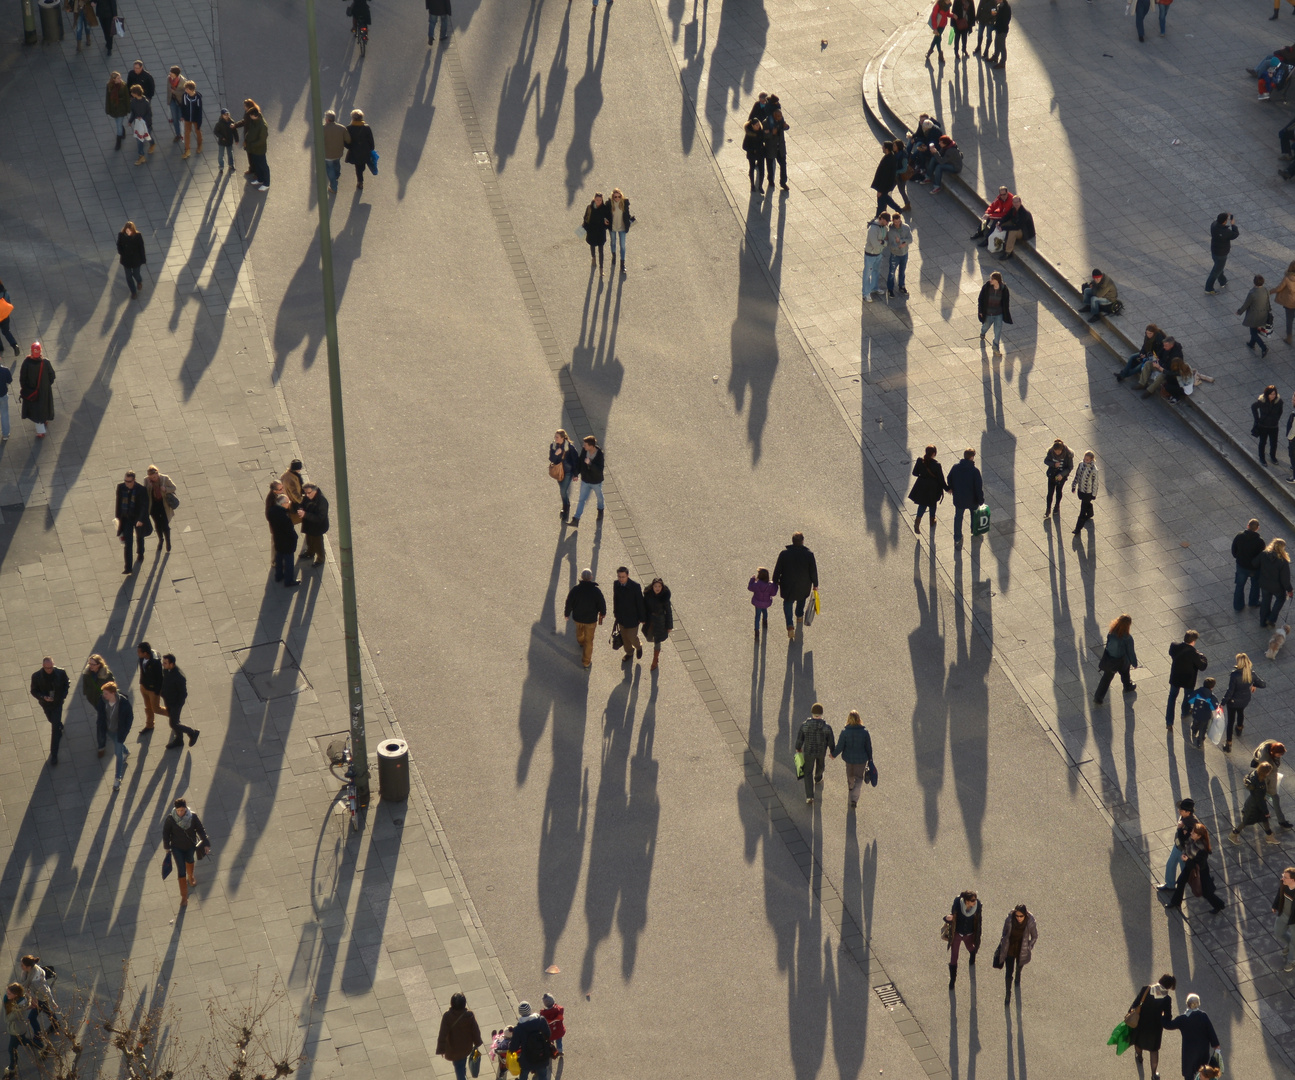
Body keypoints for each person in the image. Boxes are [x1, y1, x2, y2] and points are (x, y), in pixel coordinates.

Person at [161, 797, 211, 906]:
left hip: (190, 846)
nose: (180, 813)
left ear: (185, 809)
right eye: (178, 810)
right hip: (176, 848)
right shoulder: (170, 819)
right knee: (181, 870)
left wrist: (206, 844)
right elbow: (166, 834)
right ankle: (184, 896)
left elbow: (201, 830)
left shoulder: (192, 817)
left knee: (190, 860)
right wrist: (167, 847)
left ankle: (191, 876)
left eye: (182, 810)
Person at [1166, 823, 1225, 913]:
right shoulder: (1192, 839)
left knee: (1206, 893)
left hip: (1200, 872)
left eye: (1194, 833)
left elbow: (1196, 864)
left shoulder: (1202, 850)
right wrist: (1180, 829)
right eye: (1192, 831)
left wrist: (1186, 860)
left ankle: (1219, 905)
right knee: (1181, 882)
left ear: (1199, 836)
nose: (1191, 833)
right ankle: (1176, 902)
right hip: (1189, 868)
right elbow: (1183, 841)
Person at [1163, 994, 1220, 1080]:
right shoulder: (1203, 1016)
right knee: (1201, 1074)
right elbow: (1211, 1032)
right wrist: (1216, 1046)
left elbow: (1168, 1025)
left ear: (1187, 1004)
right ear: (1198, 1004)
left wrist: (1163, 1015)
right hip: (1202, 1052)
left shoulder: (1183, 1019)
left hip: (1189, 1053)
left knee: (1189, 1075)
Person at [1129, 974, 1177, 1077]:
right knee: (1154, 1050)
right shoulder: (1167, 999)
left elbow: (1136, 1003)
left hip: (1140, 1022)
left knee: (1138, 1042)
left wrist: (1129, 1014)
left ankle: (1139, 1057)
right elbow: (1168, 1016)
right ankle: (1154, 1074)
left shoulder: (1146, 989)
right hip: (1155, 1028)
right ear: (1169, 987)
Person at [772, 533, 818, 639]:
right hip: (804, 584)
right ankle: (799, 616)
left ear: (792, 541)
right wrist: (815, 584)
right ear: (802, 541)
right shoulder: (809, 554)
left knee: (788, 603)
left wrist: (775, 581)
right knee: (801, 599)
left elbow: (778, 569)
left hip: (788, 584)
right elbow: (813, 571)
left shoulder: (784, 554)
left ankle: (790, 625)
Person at [29, 657, 69, 767]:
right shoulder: (36, 676)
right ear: (43, 666)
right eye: (47, 668)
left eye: (51, 667)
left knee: (54, 729)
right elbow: (33, 690)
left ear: (54, 664)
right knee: (51, 720)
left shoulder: (61, 672)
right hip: (46, 704)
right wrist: (43, 697)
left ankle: (54, 755)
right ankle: (59, 725)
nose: (49, 670)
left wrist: (63, 696)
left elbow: (67, 683)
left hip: (57, 704)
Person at [1219, 652, 1263, 752]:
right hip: (1245, 700)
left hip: (1233, 701)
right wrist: (1254, 684)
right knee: (1241, 712)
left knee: (1230, 721)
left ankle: (1229, 743)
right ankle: (1239, 728)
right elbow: (1263, 684)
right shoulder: (1252, 674)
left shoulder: (1234, 675)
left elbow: (1230, 691)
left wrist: (1222, 702)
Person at [994, 904, 1036, 1004]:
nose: (1019, 918)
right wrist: (1004, 942)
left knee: (1019, 965)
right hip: (1010, 948)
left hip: (1022, 948)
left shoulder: (1030, 922)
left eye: (1021, 916)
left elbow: (1034, 936)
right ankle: (1008, 994)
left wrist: (1029, 946)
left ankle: (1018, 975)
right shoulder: (1009, 920)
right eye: (1017, 916)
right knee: (1008, 972)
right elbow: (1004, 933)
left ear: (1025, 915)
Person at [1229, 761, 1279, 845]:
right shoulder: (1260, 784)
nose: (1269, 773)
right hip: (1255, 806)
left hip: (1252, 802)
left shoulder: (1255, 774)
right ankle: (1233, 834)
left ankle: (1269, 835)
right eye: (1268, 772)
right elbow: (1260, 801)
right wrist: (1266, 812)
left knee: (1264, 819)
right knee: (1246, 821)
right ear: (1265, 772)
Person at [564, 568, 605, 669]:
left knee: (579, 632)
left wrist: (567, 614)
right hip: (591, 620)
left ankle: (580, 641)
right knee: (589, 641)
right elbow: (601, 603)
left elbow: (569, 602)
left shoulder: (575, 590)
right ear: (591, 577)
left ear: (581, 577)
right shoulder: (596, 591)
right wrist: (603, 613)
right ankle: (586, 662)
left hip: (578, 618)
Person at [435, 992, 483, 1079]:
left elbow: (442, 1034)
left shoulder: (447, 1016)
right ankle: (463, 1073)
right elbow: (475, 1030)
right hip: (466, 1046)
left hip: (453, 1049)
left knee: (459, 1067)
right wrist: (477, 1042)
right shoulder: (469, 1015)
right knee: (462, 1063)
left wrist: (441, 1049)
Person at [795, 704, 836, 804]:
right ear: (821, 714)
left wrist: (798, 748)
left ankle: (809, 796)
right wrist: (833, 752)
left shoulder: (804, 725)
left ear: (812, 713)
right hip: (821, 751)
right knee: (820, 765)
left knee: (808, 771)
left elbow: (800, 739)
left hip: (809, 752)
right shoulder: (827, 727)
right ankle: (818, 778)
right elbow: (831, 741)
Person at [1166, 630, 1207, 729]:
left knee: (1172, 698)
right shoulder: (1194, 654)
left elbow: (1171, 653)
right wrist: (1203, 657)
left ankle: (1169, 721)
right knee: (1188, 696)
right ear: (1193, 641)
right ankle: (1185, 712)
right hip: (1188, 680)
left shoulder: (1174, 646)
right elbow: (1202, 666)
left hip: (1175, 677)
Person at [1093, 614, 1138, 704]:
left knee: (1106, 678)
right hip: (1122, 660)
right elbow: (1130, 652)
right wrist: (1134, 663)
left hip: (1110, 660)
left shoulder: (1111, 632)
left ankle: (1098, 697)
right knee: (1125, 672)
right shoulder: (1127, 638)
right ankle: (1127, 686)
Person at [97, 681, 133, 790]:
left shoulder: (124, 703)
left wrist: (125, 731)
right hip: (108, 729)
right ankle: (126, 751)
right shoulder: (102, 700)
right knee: (118, 745)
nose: (104, 695)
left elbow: (130, 718)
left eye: (106, 693)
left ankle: (117, 779)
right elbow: (101, 714)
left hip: (119, 731)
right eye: (103, 693)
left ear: (113, 693)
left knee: (118, 754)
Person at [834, 709, 873, 809]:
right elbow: (868, 746)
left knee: (850, 775)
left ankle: (851, 787)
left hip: (849, 759)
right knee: (859, 778)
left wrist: (833, 754)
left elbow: (840, 746)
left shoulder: (845, 732)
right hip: (861, 760)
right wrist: (870, 759)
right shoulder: (864, 732)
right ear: (859, 719)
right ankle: (854, 799)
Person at [115, 470, 151, 572]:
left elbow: (144, 506)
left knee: (140, 537)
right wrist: (118, 516)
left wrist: (140, 519)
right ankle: (128, 567)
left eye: (129, 481)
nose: (127, 483)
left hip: (137, 518)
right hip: (126, 518)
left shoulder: (141, 490)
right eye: (125, 481)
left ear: (134, 480)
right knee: (128, 543)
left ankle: (140, 552)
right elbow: (118, 502)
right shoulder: (121, 487)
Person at [944, 890, 981, 988]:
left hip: (969, 934)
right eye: (973, 900)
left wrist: (978, 935)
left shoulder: (978, 907)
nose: (975, 902)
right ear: (966, 901)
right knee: (954, 956)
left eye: (975, 899)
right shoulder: (957, 905)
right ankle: (953, 980)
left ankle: (972, 954)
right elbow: (951, 917)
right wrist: (947, 918)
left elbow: (979, 922)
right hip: (957, 933)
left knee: (970, 947)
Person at [160, 653, 198, 749]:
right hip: (168, 699)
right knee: (175, 721)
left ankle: (192, 732)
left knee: (173, 723)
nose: (163, 664)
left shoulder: (179, 677)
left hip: (175, 703)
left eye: (165, 663)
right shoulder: (166, 670)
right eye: (163, 662)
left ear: (172, 664)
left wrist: (177, 706)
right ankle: (179, 740)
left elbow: (183, 694)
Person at [946, 448, 983, 545]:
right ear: (972, 457)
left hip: (959, 498)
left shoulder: (955, 467)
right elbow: (978, 487)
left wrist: (951, 488)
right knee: (974, 514)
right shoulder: (975, 471)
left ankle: (957, 537)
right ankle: (974, 530)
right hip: (972, 499)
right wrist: (981, 500)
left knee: (958, 517)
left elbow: (949, 478)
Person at [507, 1002, 553, 1080]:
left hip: (527, 1059)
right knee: (543, 1076)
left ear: (520, 1013)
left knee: (524, 1076)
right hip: (542, 1055)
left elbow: (514, 1047)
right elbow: (548, 1034)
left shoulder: (518, 1029)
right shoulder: (541, 1020)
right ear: (530, 1010)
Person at [1160, 799, 1198, 891]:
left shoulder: (1191, 824)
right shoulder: (1185, 818)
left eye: (1181, 810)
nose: (1178, 811)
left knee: (1179, 868)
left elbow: (1185, 840)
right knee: (1174, 865)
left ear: (1187, 812)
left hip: (1183, 850)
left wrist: (1180, 829)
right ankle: (1172, 884)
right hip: (1178, 847)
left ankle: (1173, 885)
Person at [17, 957, 57, 1044]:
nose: (21, 966)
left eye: (22, 965)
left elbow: (46, 990)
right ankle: (55, 1024)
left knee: (32, 1018)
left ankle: (38, 1037)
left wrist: (52, 1002)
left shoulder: (36, 980)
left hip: (40, 998)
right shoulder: (30, 971)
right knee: (47, 1010)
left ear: (28, 967)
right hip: (38, 997)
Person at [1253, 739, 1293, 827]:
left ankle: (1246, 809)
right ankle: (1281, 821)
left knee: (1259, 796)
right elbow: (1264, 775)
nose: (1280, 756)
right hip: (1266, 780)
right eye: (1279, 754)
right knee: (1272, 797)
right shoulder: (1266, 761)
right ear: (1272, 752)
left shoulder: (1269, 747)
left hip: (1270, 778)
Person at [18, 343, 54, 440]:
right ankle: (45, 419)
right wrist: (46, 385)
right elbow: (52, 376)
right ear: (40, 351)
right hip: (44, 391)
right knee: (44, 406)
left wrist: (26, 389)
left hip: (32, 392)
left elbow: (22, 378)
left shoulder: (26, 362)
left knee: (36, 411)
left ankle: (40, 432)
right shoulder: (45, 363)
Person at [81, 654, 114, 759]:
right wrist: (88, 694)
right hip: (95, 701)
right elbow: (85, 687)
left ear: (99, 665)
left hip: (106, 702)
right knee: (105, 719)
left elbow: (112, 688)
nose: (90, 666)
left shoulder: (107, 675)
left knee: (100, 724)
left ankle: (101, 747)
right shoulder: (87, 674)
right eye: (89, 663)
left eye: (93, 664)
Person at [909, 444, 946, 533]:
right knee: (932, 504)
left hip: (922, 486)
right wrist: (948, 488)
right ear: (934, 453)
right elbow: (941, 479)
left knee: (922, 504)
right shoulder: (937, 465)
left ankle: (917, 522)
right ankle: (932, 520)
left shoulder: (920, 461)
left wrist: (922, 476)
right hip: (933, 487)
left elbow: (914, 473)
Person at [612, 566, 646, 664]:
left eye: (623, 577)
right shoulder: (616, 584)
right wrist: (616, 613)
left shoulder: (635, 586)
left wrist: (642, 618)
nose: (621, 579)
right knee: (624, 637)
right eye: (619, 576)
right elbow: (615, 599)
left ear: (628, 576)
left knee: (631, 636)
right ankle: (629, 652)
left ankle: (638, 646)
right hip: (621, 617)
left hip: (633, 617)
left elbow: (640, 603)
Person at [4, 983, 38, 1078]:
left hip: (17, 1031)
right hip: (18, 1029)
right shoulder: (16, 1001)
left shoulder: (18, 1008)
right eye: (7, 992)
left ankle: (12, 1068)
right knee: (23, 1042)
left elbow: (7, 1019)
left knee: (11, 1049)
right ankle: (40, 1045)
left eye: (9, 993)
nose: (7, 995)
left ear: (16, 995)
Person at [1257, 537, 1293, 628]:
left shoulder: (1263, 554)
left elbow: (1254, 563)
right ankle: (1271, 619)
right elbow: (1285, 579)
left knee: (1265, 601)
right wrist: (1289, 589)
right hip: (1277, 587)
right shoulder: (1283, 561)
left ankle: (1262, 622)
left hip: (1264, 584)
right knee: (1280, 599)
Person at [1232, 519, 1265, 612]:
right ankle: (1253, 602)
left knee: (1239, 586)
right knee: (1255, 585)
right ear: (1257, 528)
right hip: (1254, 568)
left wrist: (1237, 557)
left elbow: (1233, 549)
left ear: (1248, 526)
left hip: (1241, 566)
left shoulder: (1239, 536)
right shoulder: (1260, 541)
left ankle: (1238, 606)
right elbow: (1261, 556)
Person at [268, 495, 301, 588]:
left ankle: (278, 576)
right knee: (289, 562)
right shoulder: (285, 517)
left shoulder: (272, 511)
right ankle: (289, 581)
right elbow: (290, 531)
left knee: (279, 558)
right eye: (288, 502)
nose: (289, 503)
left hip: (278, 540)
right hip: (287, 543)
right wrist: (295, 538)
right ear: (282, 504)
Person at [571, 435, 604, 526]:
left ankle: (600, 510)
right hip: (585, 480)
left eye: (585, 445)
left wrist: (590, 464)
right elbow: (580, 462)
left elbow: (599, 470)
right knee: (581, 500)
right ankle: (576, 519)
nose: (583, 446)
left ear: (591, 446)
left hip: (596, 482)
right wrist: (576, 474)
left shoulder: (599, 455)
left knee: (599, 498)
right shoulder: (584, 451)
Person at [136, 641, 169, 731]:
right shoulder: (142, 658)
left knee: (156, 709)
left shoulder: (155, 663)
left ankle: (173, 715)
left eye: (139, 652)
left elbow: (160, 679)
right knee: (148, 707)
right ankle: (149, 725)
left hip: (152, 690)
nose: (137, 653)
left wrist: (156, 692)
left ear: (145, 653)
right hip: (143, 686)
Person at [549, 429, 580, 520]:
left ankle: (565, 508)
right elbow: (552, 459)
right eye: (555, 437)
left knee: (563, 491)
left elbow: (575, 461)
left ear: (563, 438)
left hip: (567, 472)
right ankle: (566, 504)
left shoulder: (570, 447)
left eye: (557, 437)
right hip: (559, 472)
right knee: (563, 491)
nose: (555, 439)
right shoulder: (553, 446)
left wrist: (575, 474)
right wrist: (556, 454)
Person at [643, 577, 673, 671]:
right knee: (648, 638)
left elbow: (669, 612)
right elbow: (643, 607)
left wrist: (669, 626)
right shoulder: (648, 595)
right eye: (655, 586)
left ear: (662, 587)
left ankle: (655, 660)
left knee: (657, 640)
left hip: (660, 621)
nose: (657, 588)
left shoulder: (664, 598)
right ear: (652, 587)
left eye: (659, 586)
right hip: (650, 620)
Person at [144, 465, 176, 551]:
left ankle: (168, 542)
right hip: (153, 505)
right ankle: (161, 539)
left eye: (155, 476)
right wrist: (149, 487)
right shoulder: (146, 480)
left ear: (157, 473)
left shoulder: (165, 478)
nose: (154, 479)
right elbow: (145, 493)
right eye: (151, 477)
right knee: (157, 524)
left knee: (165, 525)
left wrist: (165, 489)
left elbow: (173, 487)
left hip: (164, 505)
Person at [1205, 213, 1239, 294]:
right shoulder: (1225, 231)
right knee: (1216, 271)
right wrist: (1233, 225)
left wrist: (1224, 215)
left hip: (1214, 251)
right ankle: (1208, 288)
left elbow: (1217, 221)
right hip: (1222, 253)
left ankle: (1222, 281)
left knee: (1219, 267)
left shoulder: (1213, 225)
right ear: (1224, 222)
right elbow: (1235, 234)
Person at [976, 271, 1012, 348]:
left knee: (998, 331)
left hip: (998, 314)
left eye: (992, 279)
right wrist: (981, 311)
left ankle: (995, 347)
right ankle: (983, 332)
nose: (990, 280)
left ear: (997, 280)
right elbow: (981, 299)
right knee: (985, 326)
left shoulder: (1004, 289)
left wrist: (1005, 313)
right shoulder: (987, 287)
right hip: (988, 313)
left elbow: (1006, 302)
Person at [1239, 275, 1273, 355]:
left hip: (1254, 316)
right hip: (1263, 314)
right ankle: (1251, 344)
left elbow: (1246, 304)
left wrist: (1239, 311)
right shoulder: (1265, 290)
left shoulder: (1252, 293)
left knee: (1253, 332)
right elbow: (1268, 303)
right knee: (1254, 330)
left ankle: (1263, 347)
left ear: (1254, 282)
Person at [1042, 437, 1073, 518]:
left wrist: (1062, 474)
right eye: (1056, 452)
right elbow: (1046, 461)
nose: (1057, 453)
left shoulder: (1068, 455)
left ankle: (1057, 506)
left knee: (1059, 491)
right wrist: (1053, 464)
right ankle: (1048, 509)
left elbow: (1070, 467)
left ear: (1062, 449)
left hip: (1061, 476)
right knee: (1050, 492)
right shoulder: (1051, 452)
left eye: (1059, 451)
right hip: (1052, 474)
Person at [582, 193, 612, 278]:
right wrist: (586, 227)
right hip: (592, 231)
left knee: (601, 251)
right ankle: (593, 258)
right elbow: (585, 217)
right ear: (594, 199)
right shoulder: (590, 207)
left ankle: (601, 269)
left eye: (600, 200)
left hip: (601, 232)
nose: (599, 202)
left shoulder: (604, 209)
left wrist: (606, 223)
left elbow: (608, 218)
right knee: (592, 246)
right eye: (597, 200)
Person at [862, 212, 890, 302]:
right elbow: (875, 244)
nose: (887, 223)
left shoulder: (884, 228)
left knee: (876, 271)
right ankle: (866, 293)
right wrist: (883, 243)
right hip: (870, 254)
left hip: (878, 254)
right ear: (881, 219)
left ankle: (874, 287)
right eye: (886, 221)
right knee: (867, 274)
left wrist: (882, 243)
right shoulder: (873, 229)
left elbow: (885, 241)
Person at [241, 106, 270, 192]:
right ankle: (260, 179)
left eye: (251, 115)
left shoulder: (262, 125)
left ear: (254, 115)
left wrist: (251, 144)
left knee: (263, 165)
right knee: (257, 164)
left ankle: (266, 183)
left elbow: (261, 140)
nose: (250, 117)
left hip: (259, 149)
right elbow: (250, 131)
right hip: (253, 148)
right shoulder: (254, 121)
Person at [1184, 676, 1218, 748]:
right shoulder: (1211, 697)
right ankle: (1200, 740)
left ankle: (1194, 730)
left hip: (1196, 713)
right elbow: (1214, 707)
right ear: (1212, 687)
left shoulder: (1197, 692)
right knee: (1203, 728)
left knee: (1196, 722)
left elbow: (1190, 700)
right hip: (1205, 716)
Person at [345, 110, 376, 190]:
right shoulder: (366, 128)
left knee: (358, 166)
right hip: (365, 151)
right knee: (361, 166)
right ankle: (360, 178)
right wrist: (371, 148)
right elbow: (371, 141)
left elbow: (346, 141)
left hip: (355, 151)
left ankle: (360, 181)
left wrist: (350, 147)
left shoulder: (349, 128)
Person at [300, 484, 329, 566]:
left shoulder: (322, 501)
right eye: (305, 493)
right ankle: (310, 552)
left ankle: (320, 559)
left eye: (309, 493)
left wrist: (305, 514)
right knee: (309, 540)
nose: (307, 495)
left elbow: (320, 517)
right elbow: (302, 504)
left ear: (315, 491)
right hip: (309, 524)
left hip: (318, 527)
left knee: (318, 544)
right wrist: (301, 508)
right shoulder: (307, 496)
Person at [871, 143, 904, 216]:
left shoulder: (889, 160)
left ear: (887, 149)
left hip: (884, 186)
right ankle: (897, 209)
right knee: (885, 199)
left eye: (883, 146)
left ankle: (878, 217)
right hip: (885, 186)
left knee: (882, 200)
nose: (882, 147)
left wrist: (880, 190)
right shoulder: (890, 157)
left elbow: (885, 177)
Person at [884, 213, 912, 298]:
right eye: (895, 222)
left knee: (902, 271)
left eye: (898, 221)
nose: (897, 224)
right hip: (895, 255)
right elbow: (892, 245)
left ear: (900, 220)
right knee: (892, 272)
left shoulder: (906, 227)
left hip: (904, 253)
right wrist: (902, 244)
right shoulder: (891, 231)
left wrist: (900, 241)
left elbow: (910, 239)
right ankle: (890, 289)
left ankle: (901, 286)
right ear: (892, 221)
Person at [1070, 450, 1098, 535]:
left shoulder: (1094, 470)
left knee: (1082, 511)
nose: (1085, 461)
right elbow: (1077, 475)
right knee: (1085, 503)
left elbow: (1095, 483)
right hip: (1081, 490)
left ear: (1092, 460)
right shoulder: (1081, 464)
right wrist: (1074, 485)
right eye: (1085, 459)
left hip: (1088, 492)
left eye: (1087, 460)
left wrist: (1093, 494)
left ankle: (1078, 528)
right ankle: (1090, 512)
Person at [1273, 867, 1295, 973]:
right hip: (1284, 914)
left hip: (1294, 920)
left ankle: (1292, 960)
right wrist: (1275, 905)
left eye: (1285, 877)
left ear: (1293, 880)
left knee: (1294, 943)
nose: (1282, 879)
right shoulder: (1284, 885)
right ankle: (1290, 946)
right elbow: (1279, 894)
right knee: (1278, 933)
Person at [116, 221, 146, 299]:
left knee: (136, 274)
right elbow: (119, 245)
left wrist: (143, 259)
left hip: (136, 260)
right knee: (128, 277)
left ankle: (139, 281)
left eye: (130, 230)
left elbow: (141, 248)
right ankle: (133, 292)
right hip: (126, 260)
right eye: (127, 230)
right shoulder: (121, 235)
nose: (128, 232)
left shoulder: (138, 236)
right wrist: (122, 253)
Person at [127, 85, 155, 166]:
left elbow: (149, 114)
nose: (131, 94)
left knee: (148, 136)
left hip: (146, 124)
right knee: (139, 140)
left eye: (132, 93)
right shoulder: (133, 102)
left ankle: (152, 144)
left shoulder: (146, 103)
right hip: (138, 125)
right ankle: (141, 156)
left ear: (136, 93)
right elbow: (133, 113)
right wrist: (130, 121)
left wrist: (143, 119)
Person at [748, 567, 779, 638]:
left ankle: (756, 631)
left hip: (758, 602)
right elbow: (773, 593)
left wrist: (752, 579)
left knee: (757, 616)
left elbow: (750, 587)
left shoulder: (756, 584)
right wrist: (775, 585)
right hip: (766, 602)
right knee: (765, 611)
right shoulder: (770, 585)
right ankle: (765, 622)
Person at [608, 189, 632, 275]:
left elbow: (627, 215)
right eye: (615, 197)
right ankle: (614, 255)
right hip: (613, 227)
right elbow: (606, 215)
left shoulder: (624, 203)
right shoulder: (609, 204)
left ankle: (622, 264)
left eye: (619, 196)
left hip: (622, 228)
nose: (617, 198)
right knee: (613, 242)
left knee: (622, 246)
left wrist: (630, 222)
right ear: (612, 197)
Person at [1270, 261, 1295, 343]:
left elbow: (1278, 288)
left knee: (1289, 320)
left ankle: (1289, 337)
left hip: (1290, 303)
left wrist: (1269, 291)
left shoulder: (1287, 278)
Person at [105, 70, 130, 149]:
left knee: (118, 125)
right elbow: (108, 98)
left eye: (120, 78)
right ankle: (123, 131)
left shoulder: (123, 85)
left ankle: (118, 143)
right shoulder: (109, 86)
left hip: (121, 108)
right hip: (114, 109)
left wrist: (128, 109)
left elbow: (127, 97)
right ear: (114, 79)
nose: (120, 79)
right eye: (118, 78)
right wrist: (108, 109)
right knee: (118, 123)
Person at [767, 109, 790, 192]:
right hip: (771, 148)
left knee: (783, 164)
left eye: (781, 116)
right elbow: (764, 135)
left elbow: (786, 127)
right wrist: (771, 133)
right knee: (770, 166)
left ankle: (783, 182)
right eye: (778, 116)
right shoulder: (767, 122)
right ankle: (770, 180)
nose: (780, 117)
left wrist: (786, 126)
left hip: (780, 148)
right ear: (774, 116)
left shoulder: (781, 120)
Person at [179, 80, 203, 159]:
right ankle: (187, 150)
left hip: (195, 118)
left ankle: (199, 145)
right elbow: (183, 106)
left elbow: (199, 111)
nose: (185, 90)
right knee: (187, 133)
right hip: (187, 118)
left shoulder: (198, 98)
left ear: (191, 89)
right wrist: (182, 115)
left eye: (187, 89)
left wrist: (199, 121)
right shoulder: (185, 96)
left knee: (198, 132)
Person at [743, 119, 766, 192]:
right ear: (752, 126)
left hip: (760, 154)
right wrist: (753, 150)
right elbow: (744, 146)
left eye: (759, 125)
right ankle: (752, 185)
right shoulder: (749, 134)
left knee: (762, 170)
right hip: (752, 155)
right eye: (756, 125)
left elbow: (764, 140)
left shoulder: (761, 132)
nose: (758, 126)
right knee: (752, 169)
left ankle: (760, 186)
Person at [214, 108, 239, 172]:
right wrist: (221, 137)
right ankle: (221, 167)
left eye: (227, 114)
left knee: (230, 153)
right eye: (225, 114)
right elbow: (216, 132)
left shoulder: (232, 122)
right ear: (222, 115)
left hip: (229, 141)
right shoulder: (219, 123)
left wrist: (236, 139)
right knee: (221, 155)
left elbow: (235, 132)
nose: (227, 116)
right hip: (222, 141)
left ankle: (231, 165)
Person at [164, 66, 185, 142]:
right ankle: (178, 134)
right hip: (172, 101)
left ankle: (183, 131)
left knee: (180, 118)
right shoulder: (169, 79)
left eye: (171, 73)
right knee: (175, 118)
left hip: (180, 103)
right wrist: (168, 101)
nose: (170, 74)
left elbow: (184, 93)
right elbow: (168, 90)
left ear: (176, 74)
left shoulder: (183, 81)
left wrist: (175, 92)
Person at [0, 278, 18, 360]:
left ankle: (1, 348)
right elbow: (9, 303)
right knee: (6, 331)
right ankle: (14, 345)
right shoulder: (5, 292)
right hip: (5, 316)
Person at [989, 0, 1010, 66]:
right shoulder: (999, 6)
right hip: (998, 29)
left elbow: (1004, 20)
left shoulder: (1006, 8)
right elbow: (994, 15)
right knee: (997, 44)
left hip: (1002, 30)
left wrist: (997, 26)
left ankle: (1002, 62)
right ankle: (995, 57)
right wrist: (993, 7)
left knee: (1002, 46)